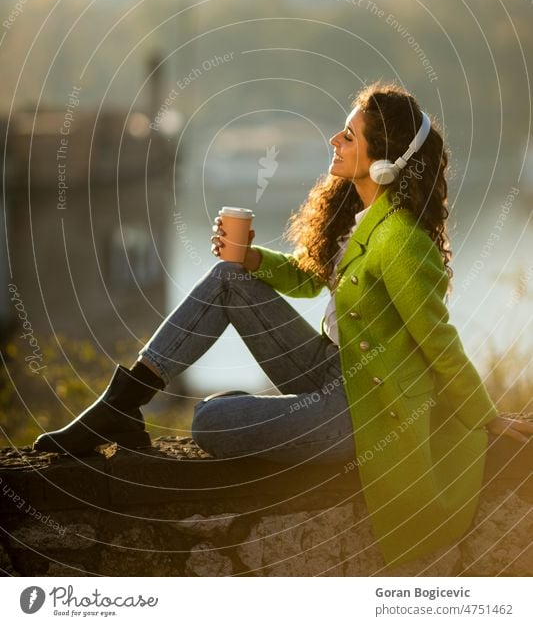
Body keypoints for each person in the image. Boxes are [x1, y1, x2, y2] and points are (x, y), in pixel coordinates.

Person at [33, 81, 532, 567]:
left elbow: (438, 338)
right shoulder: (364, 219)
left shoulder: (401, 239)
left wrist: (487, 416)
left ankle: (145, 409)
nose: (334, 142)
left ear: (385, 161)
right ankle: (122, 403)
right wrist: (249, 257)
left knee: (209, 421)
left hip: (365, 413)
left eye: (349, 136)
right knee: (229, 276)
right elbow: (307, 278)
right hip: (336, 373)